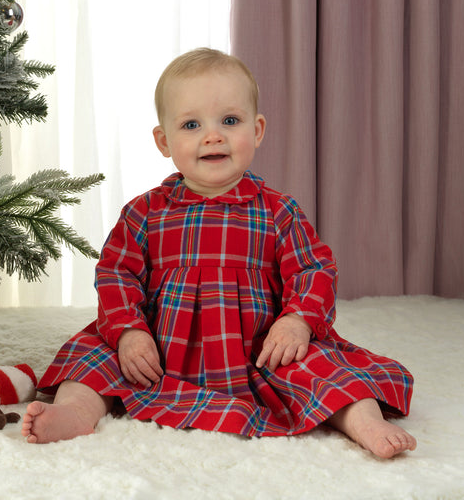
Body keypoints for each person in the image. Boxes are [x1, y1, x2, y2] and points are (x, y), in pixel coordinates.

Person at [22, 48, 416, 459]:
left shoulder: (277, 210)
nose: (213, 136)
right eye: (191, 124)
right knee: (92, 355)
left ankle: (365, 423)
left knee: (325, 369)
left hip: (258, 350)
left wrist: (298, 321)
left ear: (258, 129)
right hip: (161, 347)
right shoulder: (145, 212)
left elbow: (313, 268)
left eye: (230, 121)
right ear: (164, 141)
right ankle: (74, 413)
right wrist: (129, 332)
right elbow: (116, 274)